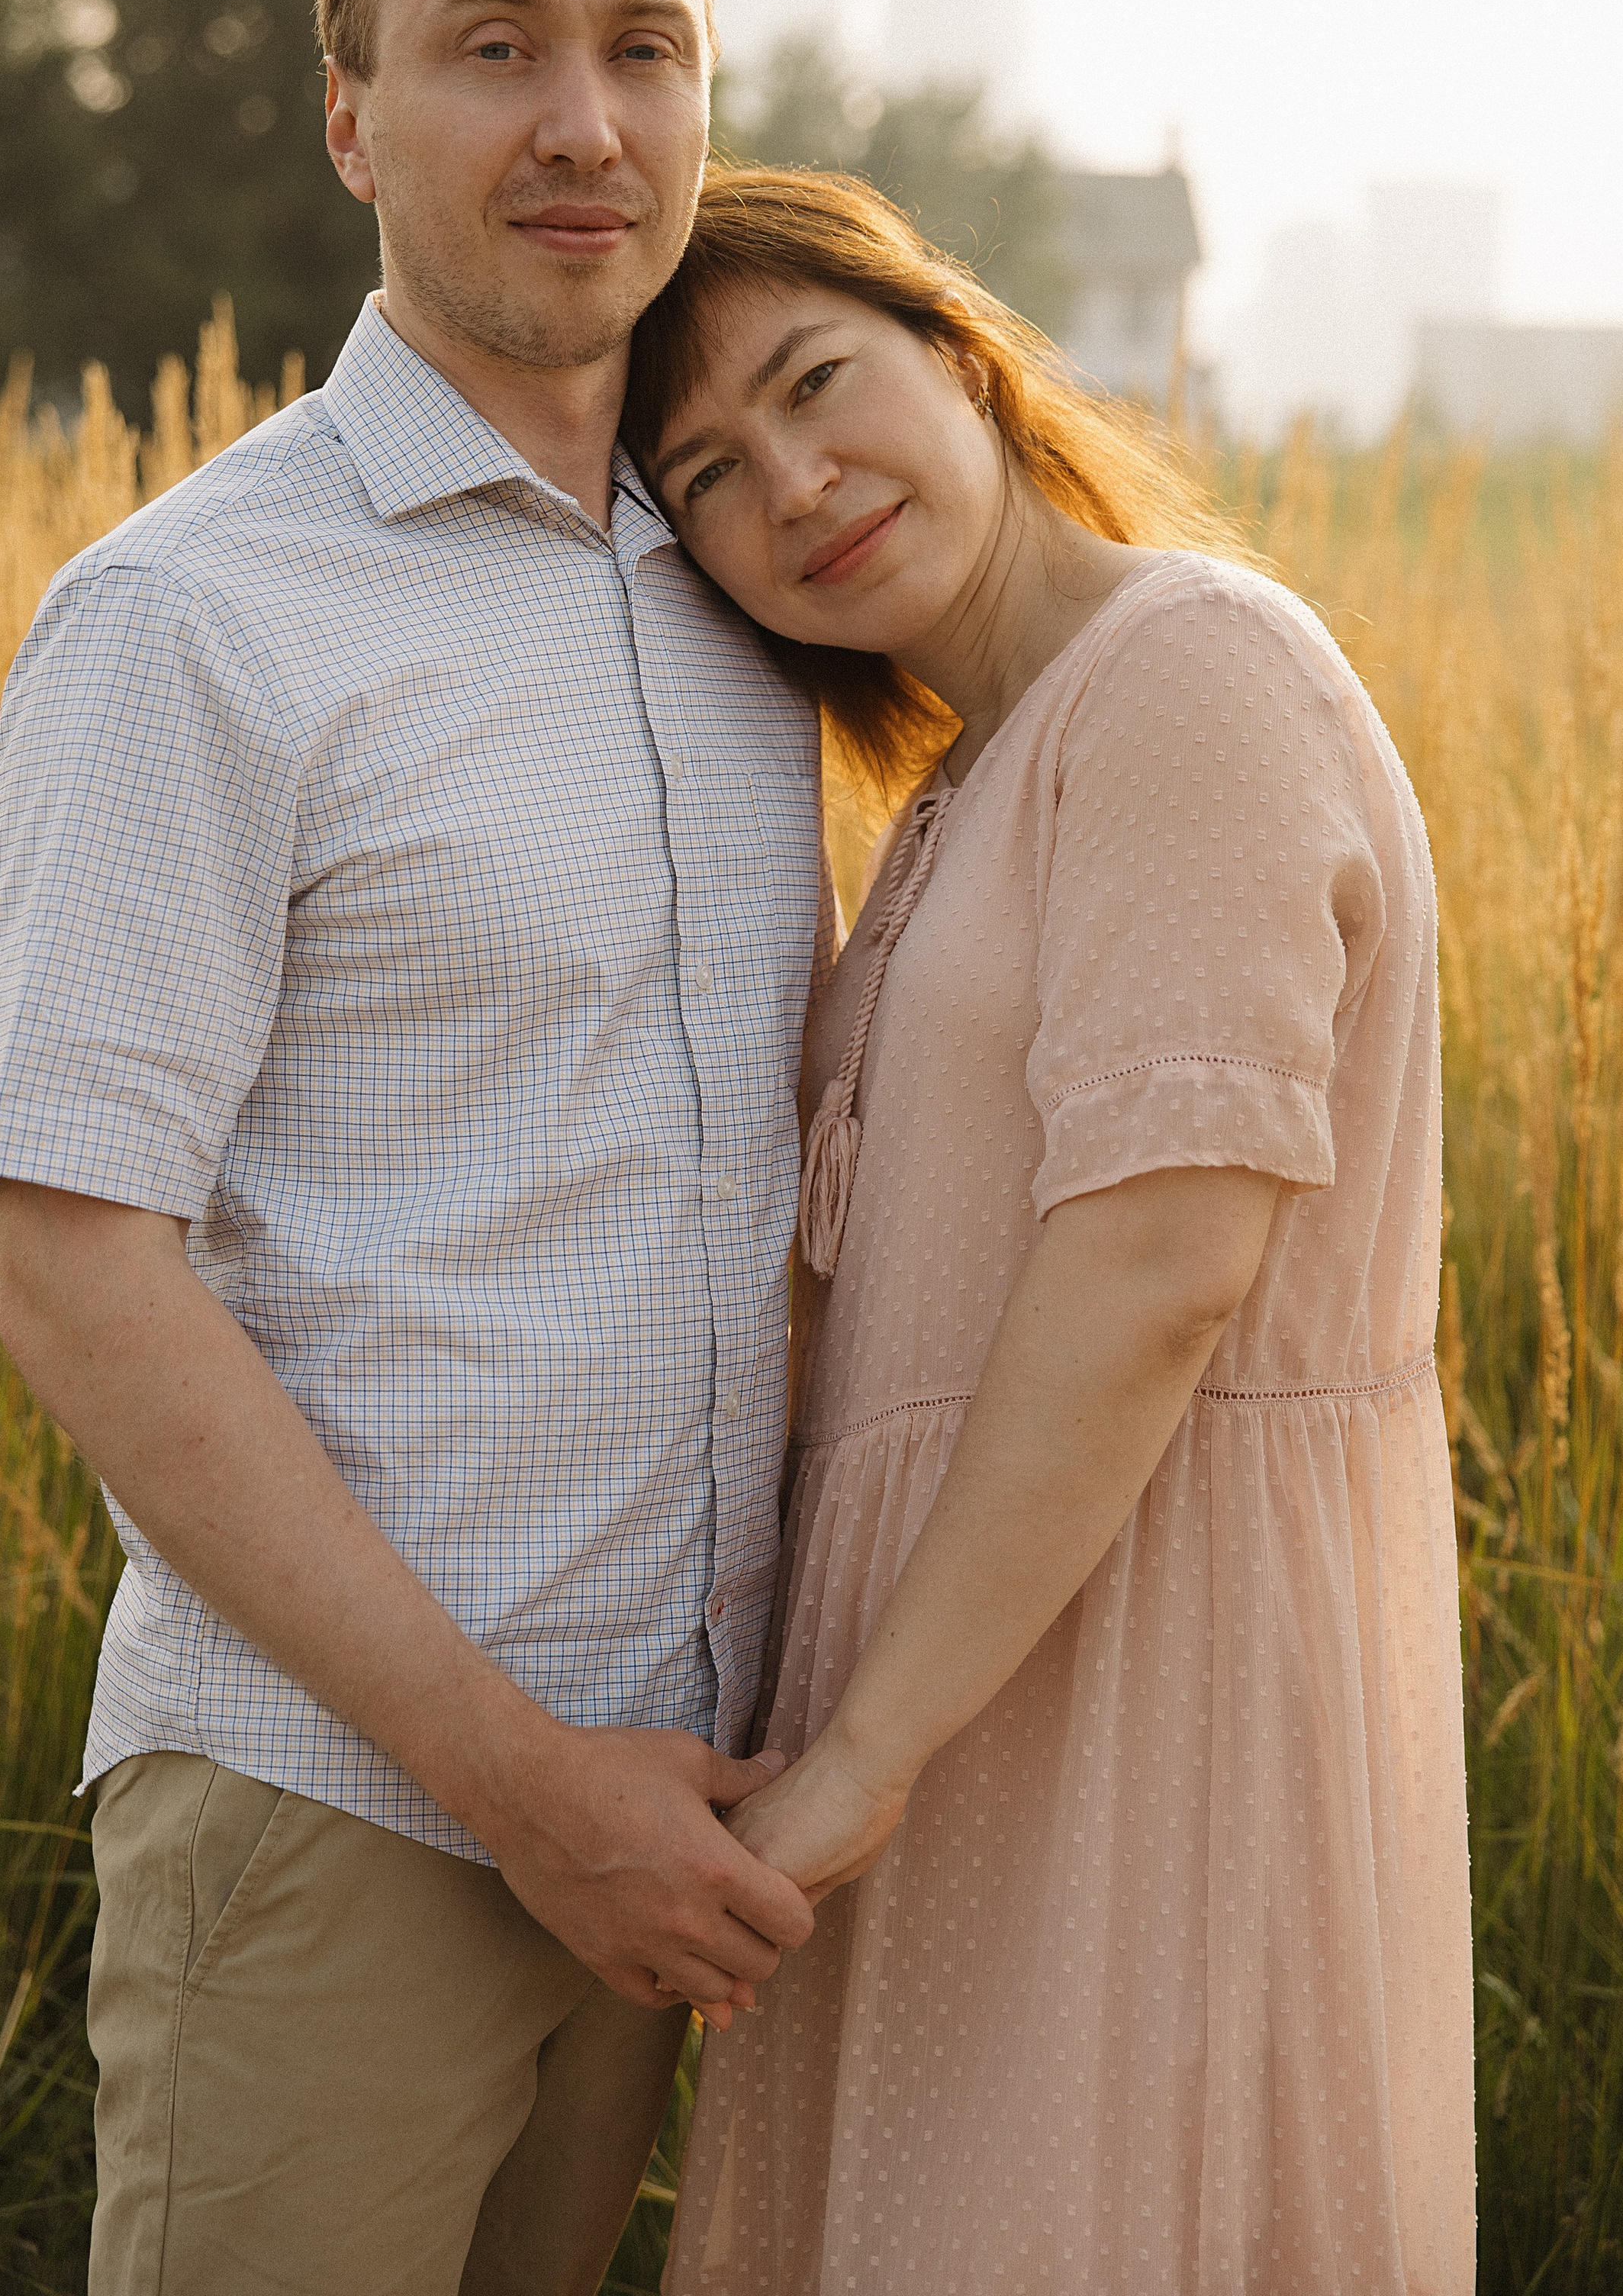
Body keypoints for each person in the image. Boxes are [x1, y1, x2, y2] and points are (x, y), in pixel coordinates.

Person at [0, 0, 827, 2296]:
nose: (584, 120)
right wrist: (512, 1782)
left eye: (641, 50)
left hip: (672, 1833)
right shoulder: (189, 621)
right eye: (497, 49)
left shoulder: (751, 586)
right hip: (340, 1816)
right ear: (349, 116)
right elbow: (78, 1268)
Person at [622, 166, 1476, 2294]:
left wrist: (864, 1763)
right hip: (968, 1699)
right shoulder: (972, 768)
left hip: (1137, 1700)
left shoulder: (1184, 668)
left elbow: (1158, 1263)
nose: (794, 485)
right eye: (710, 473)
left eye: (821, 382)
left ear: (966, 352)